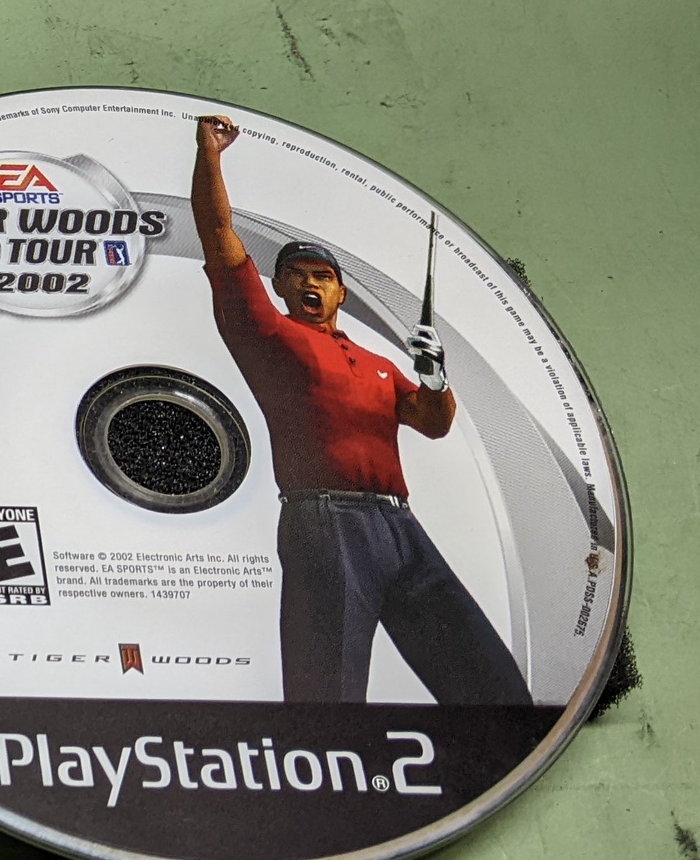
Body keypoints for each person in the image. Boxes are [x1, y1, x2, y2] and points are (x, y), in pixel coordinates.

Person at [188, 115, 529, 706]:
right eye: (295, 276)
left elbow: (433, 423)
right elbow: (217, 233)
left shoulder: (376, 363)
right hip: (325, 523)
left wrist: (435, 376)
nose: (310, 284)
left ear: (341, 293)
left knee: (492, 688)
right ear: (279, 287)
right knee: (328, 700)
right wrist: (210, 155)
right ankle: (319, 766)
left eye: (322, 277)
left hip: (399, 524)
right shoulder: (267, 334)